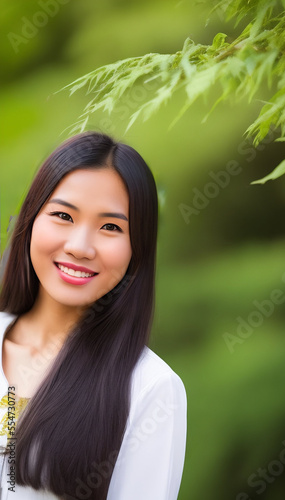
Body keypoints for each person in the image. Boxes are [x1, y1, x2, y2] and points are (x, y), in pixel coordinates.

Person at [0, 131, 187, 500]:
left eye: (111, 227)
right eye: (63, 215)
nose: (80, 247)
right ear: (31, 221)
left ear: (138, 248)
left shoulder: (150, 389)